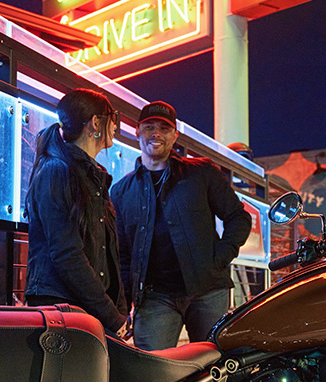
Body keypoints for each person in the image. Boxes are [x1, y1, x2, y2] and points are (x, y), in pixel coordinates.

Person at [111, 101, 251, 350]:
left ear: (174, 135)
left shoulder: (202, 173)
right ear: (137, 131)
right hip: (154, 298)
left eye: (164, 128)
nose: (156, 133)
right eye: (149, 127)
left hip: (207, 291)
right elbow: (122, 254)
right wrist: (124, 305)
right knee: (153, 368)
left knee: (212, 364)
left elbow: (239, 217)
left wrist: (219, 258)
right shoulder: (121, 191)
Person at [23, 88, 128, 334]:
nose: (116, 127)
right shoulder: (57, 171)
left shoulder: (92, 176)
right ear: (96, 123)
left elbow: (105, 254)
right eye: (113, 118)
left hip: (87, 309)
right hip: (63, 309)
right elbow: (67, 253)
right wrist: (110, 314)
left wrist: (117, 310)